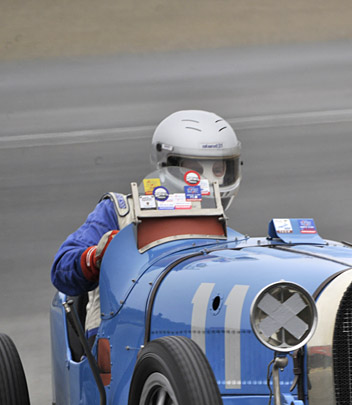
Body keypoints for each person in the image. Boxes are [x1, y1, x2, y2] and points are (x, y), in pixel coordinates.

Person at [51, 109, 242, 336]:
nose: (210, 180)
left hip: (196, 330)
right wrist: (97, 256)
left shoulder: (228, 233)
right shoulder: (120, 211)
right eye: (195, 170)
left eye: (218, 169)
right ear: (167, 163)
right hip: (121, 333)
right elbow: (61, 269)